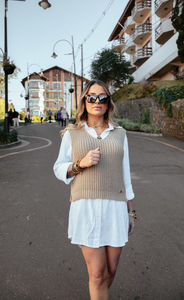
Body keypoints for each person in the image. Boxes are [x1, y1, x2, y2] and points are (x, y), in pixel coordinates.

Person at [53, 79, 136, 300]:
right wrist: (81, 164)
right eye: (91, 97)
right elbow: (58, 168)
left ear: (108, 102)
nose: (96, 101)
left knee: (111, 270)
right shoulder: (72, 133)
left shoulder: (120, 133)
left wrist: (130, 212)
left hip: (116, 208)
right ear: (84, 101)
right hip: (85, 207)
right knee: (97, 275)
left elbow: (125, 175)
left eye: (102, 97)